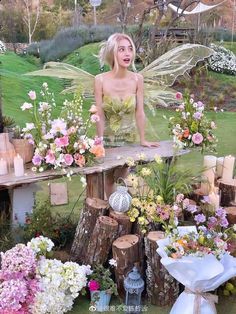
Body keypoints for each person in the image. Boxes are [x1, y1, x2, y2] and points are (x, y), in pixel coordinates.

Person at [94, 33, 159, 197]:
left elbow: (140, 112)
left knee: (123, 179)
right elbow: (99, 114)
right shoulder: (100, 80)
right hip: (108, 140)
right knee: (108, 180)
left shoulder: (138, 79)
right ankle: (109, 213)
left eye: (130, 49)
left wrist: (143, 139)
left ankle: (122, 212)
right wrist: (99, 142)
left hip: (129, 139)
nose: (127, 53)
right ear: (113, 53)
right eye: (121, 49)